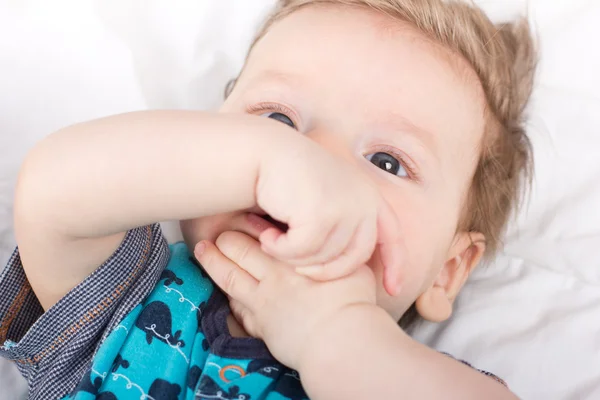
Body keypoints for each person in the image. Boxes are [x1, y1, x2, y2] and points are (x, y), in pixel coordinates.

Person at [0, 0, 536, 399]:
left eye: (387, 162)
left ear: (448, 269)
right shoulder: (128, 298)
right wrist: (262, 162)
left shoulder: (413, 381)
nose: (314, 158)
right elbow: (52, 194)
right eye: (278, 119)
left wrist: (334, 336)